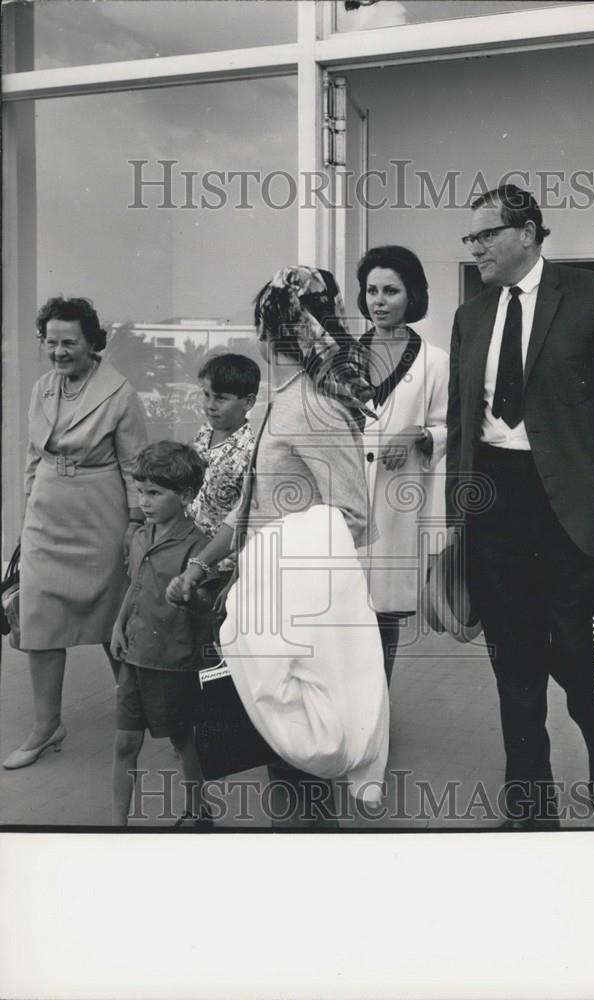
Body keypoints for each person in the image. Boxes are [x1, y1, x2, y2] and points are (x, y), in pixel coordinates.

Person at [446, 185, 594, 829]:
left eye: (486, 235)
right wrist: (457, 516)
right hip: (495, 501)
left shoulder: (592, 297)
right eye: (471, 238)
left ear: (528, 233)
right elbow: (461, 421)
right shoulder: (471, 316)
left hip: (570, 505)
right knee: (512, 654)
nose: (475, 247)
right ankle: (530, 803)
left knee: (573, 652)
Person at [167, 266, 386, 827]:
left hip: (298, 606)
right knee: (280, 751)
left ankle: (315, 865)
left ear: (273, 331)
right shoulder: (278, 402)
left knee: (302, 750)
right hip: (262, 596)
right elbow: (250, 504)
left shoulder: (313, 408)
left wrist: (271, 567)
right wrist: (204, 563)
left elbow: (353, 517)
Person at [3, 297, 148, 771]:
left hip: (100, 517)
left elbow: (135, 468)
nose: (59, 351)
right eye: (51, 341)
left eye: (70, 342)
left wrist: (135, 527)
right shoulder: (43, 387)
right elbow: (31, 456)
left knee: (113, 621)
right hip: (47, 516)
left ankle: (134, 718)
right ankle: (47, 727)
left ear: (92, 343)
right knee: (40, 621)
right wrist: (28, 515)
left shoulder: (120, 393)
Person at [110, 441, 216, 828]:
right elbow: (135, 585)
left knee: (182, 739)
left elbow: (208, 605)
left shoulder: (199, 547)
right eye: (141, 492)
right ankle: (115, 826)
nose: (145, 501)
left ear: (186, 495)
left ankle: (197, 811)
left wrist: (190, 596)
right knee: (124, 742)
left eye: (154, 493)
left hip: (172, 662)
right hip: (135, 656)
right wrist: (118, 625)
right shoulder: (141, 537)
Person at [356, 245, 449, 683]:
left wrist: (418, 433)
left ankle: (377, 715)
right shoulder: (340, 358)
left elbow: (451, 427)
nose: (379, 301)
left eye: (390, 291)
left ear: (412, 295)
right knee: (340, 608)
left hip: (396, 506)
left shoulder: (435, 362)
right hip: (345, 501)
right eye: (372, 290)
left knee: (384, 614)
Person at [190, 353, 260, 570]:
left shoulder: (251, 449)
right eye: (206, 395)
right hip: (188, 548)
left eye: (220, 398)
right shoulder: (205, 432)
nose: (210, 405)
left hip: (223, 563)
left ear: (248, 402)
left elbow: (245, 513)